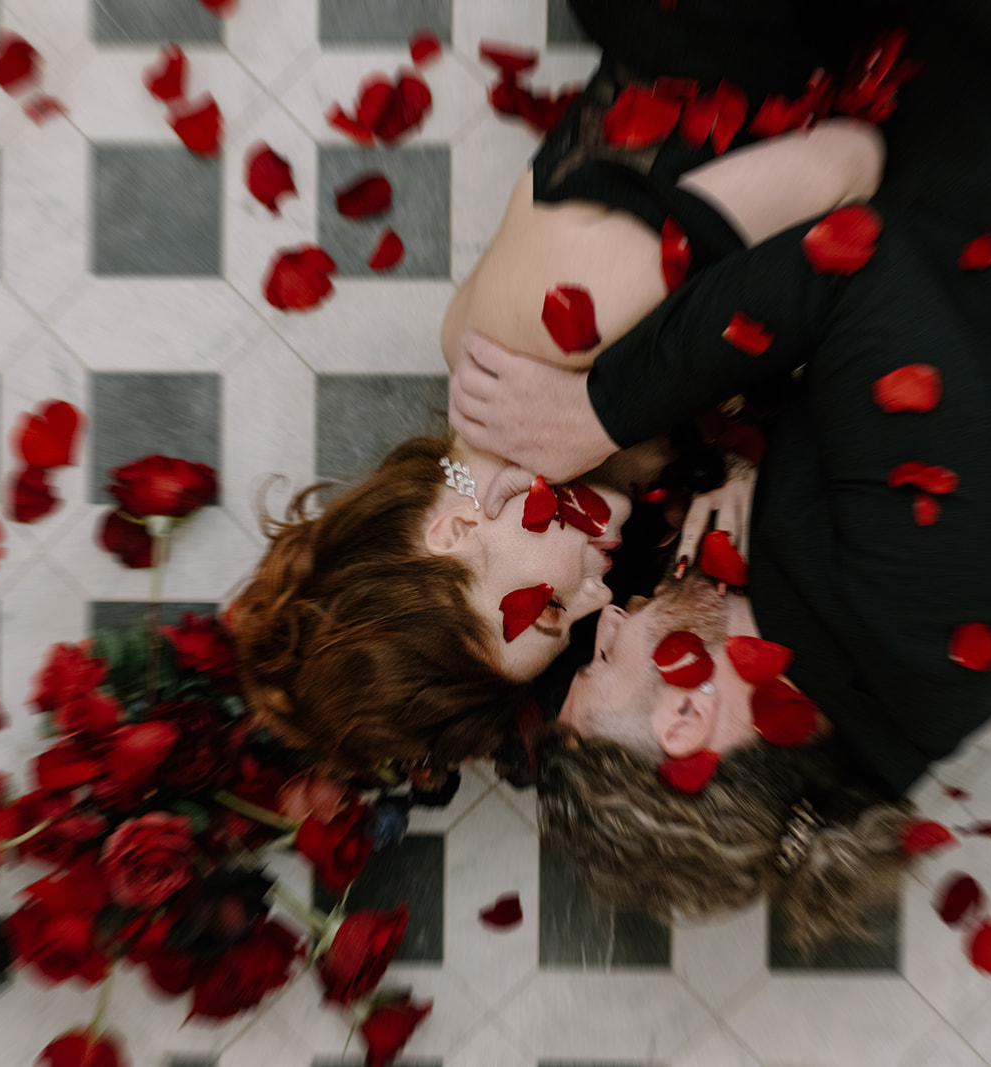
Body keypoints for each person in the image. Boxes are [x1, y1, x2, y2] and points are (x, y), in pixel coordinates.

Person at [449, 0, 991, 945]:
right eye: (603, 660)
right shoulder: (912, 594)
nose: (613, 621)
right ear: (685, 718)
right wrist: (596, 412)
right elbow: (849, 265)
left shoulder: (861, 686)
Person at [226, 2, 893, 781]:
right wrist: (728, 459)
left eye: (547, 609)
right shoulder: (470, 371)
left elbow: (856, 163)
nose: (595, 601)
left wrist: (681, 416)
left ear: (448, 536)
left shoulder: (565, 333)